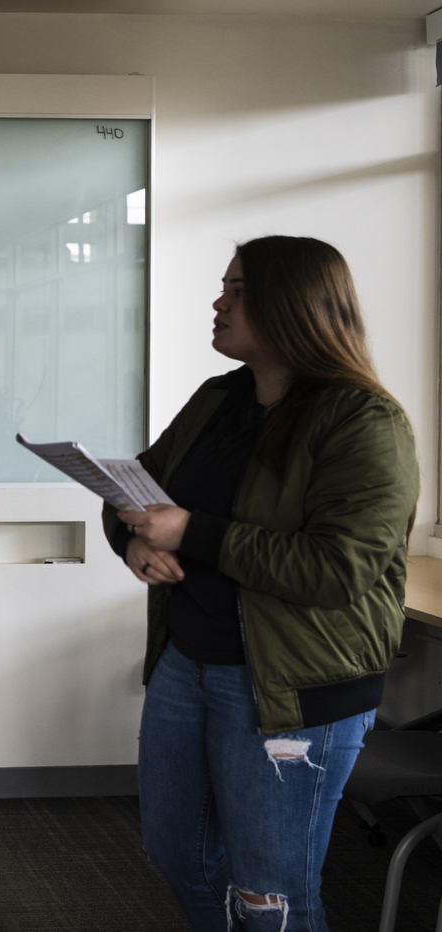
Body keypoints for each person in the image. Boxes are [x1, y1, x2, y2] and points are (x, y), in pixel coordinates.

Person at [104, 236, 418, 931]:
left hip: (292, 688)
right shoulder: (221, 398)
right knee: (177, 856)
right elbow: (136, 491)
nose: (218, 302)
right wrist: (131, 541)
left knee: (270, 894)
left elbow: (339, 570)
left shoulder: (365, 420)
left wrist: (190, 534)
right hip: (188, 663)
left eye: (237, 289)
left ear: (294, 304)